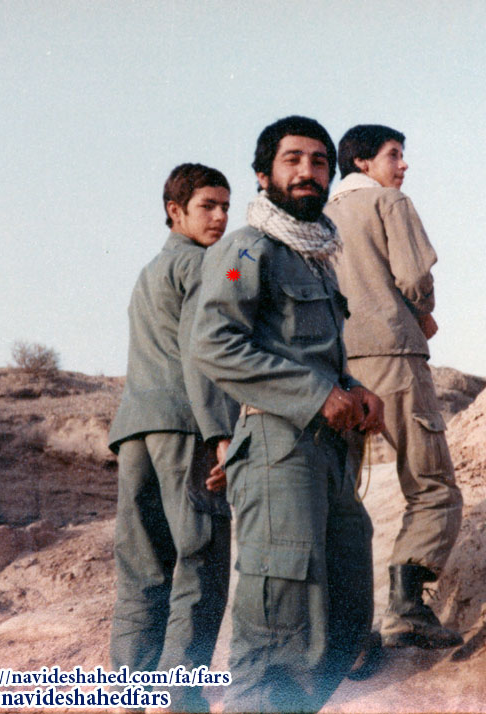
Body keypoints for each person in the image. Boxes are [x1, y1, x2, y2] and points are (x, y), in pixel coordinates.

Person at [192, 115, 385, 713]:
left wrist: (355, 389)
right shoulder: (244, 250)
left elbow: (309, 353)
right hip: (278, 449)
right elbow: (213, 342)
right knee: (280, 626)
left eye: (319, 162)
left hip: (328, 452)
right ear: (263, 174)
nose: (308, 172)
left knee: (345, 612)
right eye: (293, 160)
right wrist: (315, 395)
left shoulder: (314, 256)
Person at [324, 125, 464, 649]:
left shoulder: (318, 217)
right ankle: (407, 607)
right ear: (362, 162)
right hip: (394, 356)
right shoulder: (389, 202)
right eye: (394, 155)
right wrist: (422, 311)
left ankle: (347, 635)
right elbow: (413, 277)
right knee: (431, 485)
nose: (403, 166)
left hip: (334, 372)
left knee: (341, 499)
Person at [107, 163, 239, 713]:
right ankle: (179, 700)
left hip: (135, 431)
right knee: (201, 562)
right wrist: (222, 435)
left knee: (143, 572)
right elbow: (202, 354)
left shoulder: (149, 271)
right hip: (185, 427)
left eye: (225, 206)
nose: (220, 216)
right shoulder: (205, 265)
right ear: (175, 211)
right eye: (208, 205)